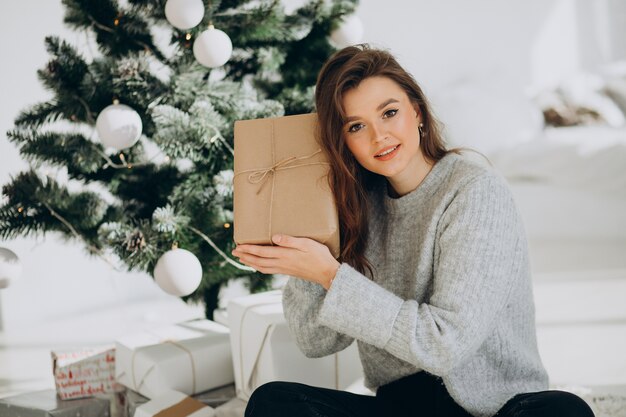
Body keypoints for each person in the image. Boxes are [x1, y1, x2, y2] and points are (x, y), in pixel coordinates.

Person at [231, 44, 594, 417]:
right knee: (273, 402)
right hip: (402, 408)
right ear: (344, 141)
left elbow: (445, 345)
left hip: (493, 409)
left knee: (565, 411)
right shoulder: (353, 206)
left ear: (417, 112)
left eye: (389, 113)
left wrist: (330, 274)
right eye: (356, 126)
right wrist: (310, 256)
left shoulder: (475, 190)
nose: (379, 136)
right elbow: (313, 339)